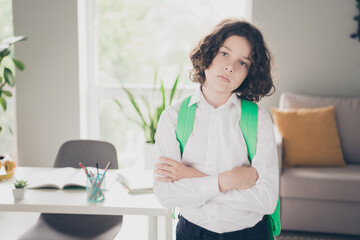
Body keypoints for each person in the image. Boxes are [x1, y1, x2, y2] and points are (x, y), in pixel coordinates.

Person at [153, 18, 279, 240]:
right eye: (224, 53)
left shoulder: (258, 119)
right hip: (192, 232)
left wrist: (191, 177)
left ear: (250, 72)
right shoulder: (173, 118)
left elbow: (267, 200)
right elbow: (167, 195)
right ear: (208, 53)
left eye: (243, 62)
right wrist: (229, 180)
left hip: (250, 234)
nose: (230, 66)